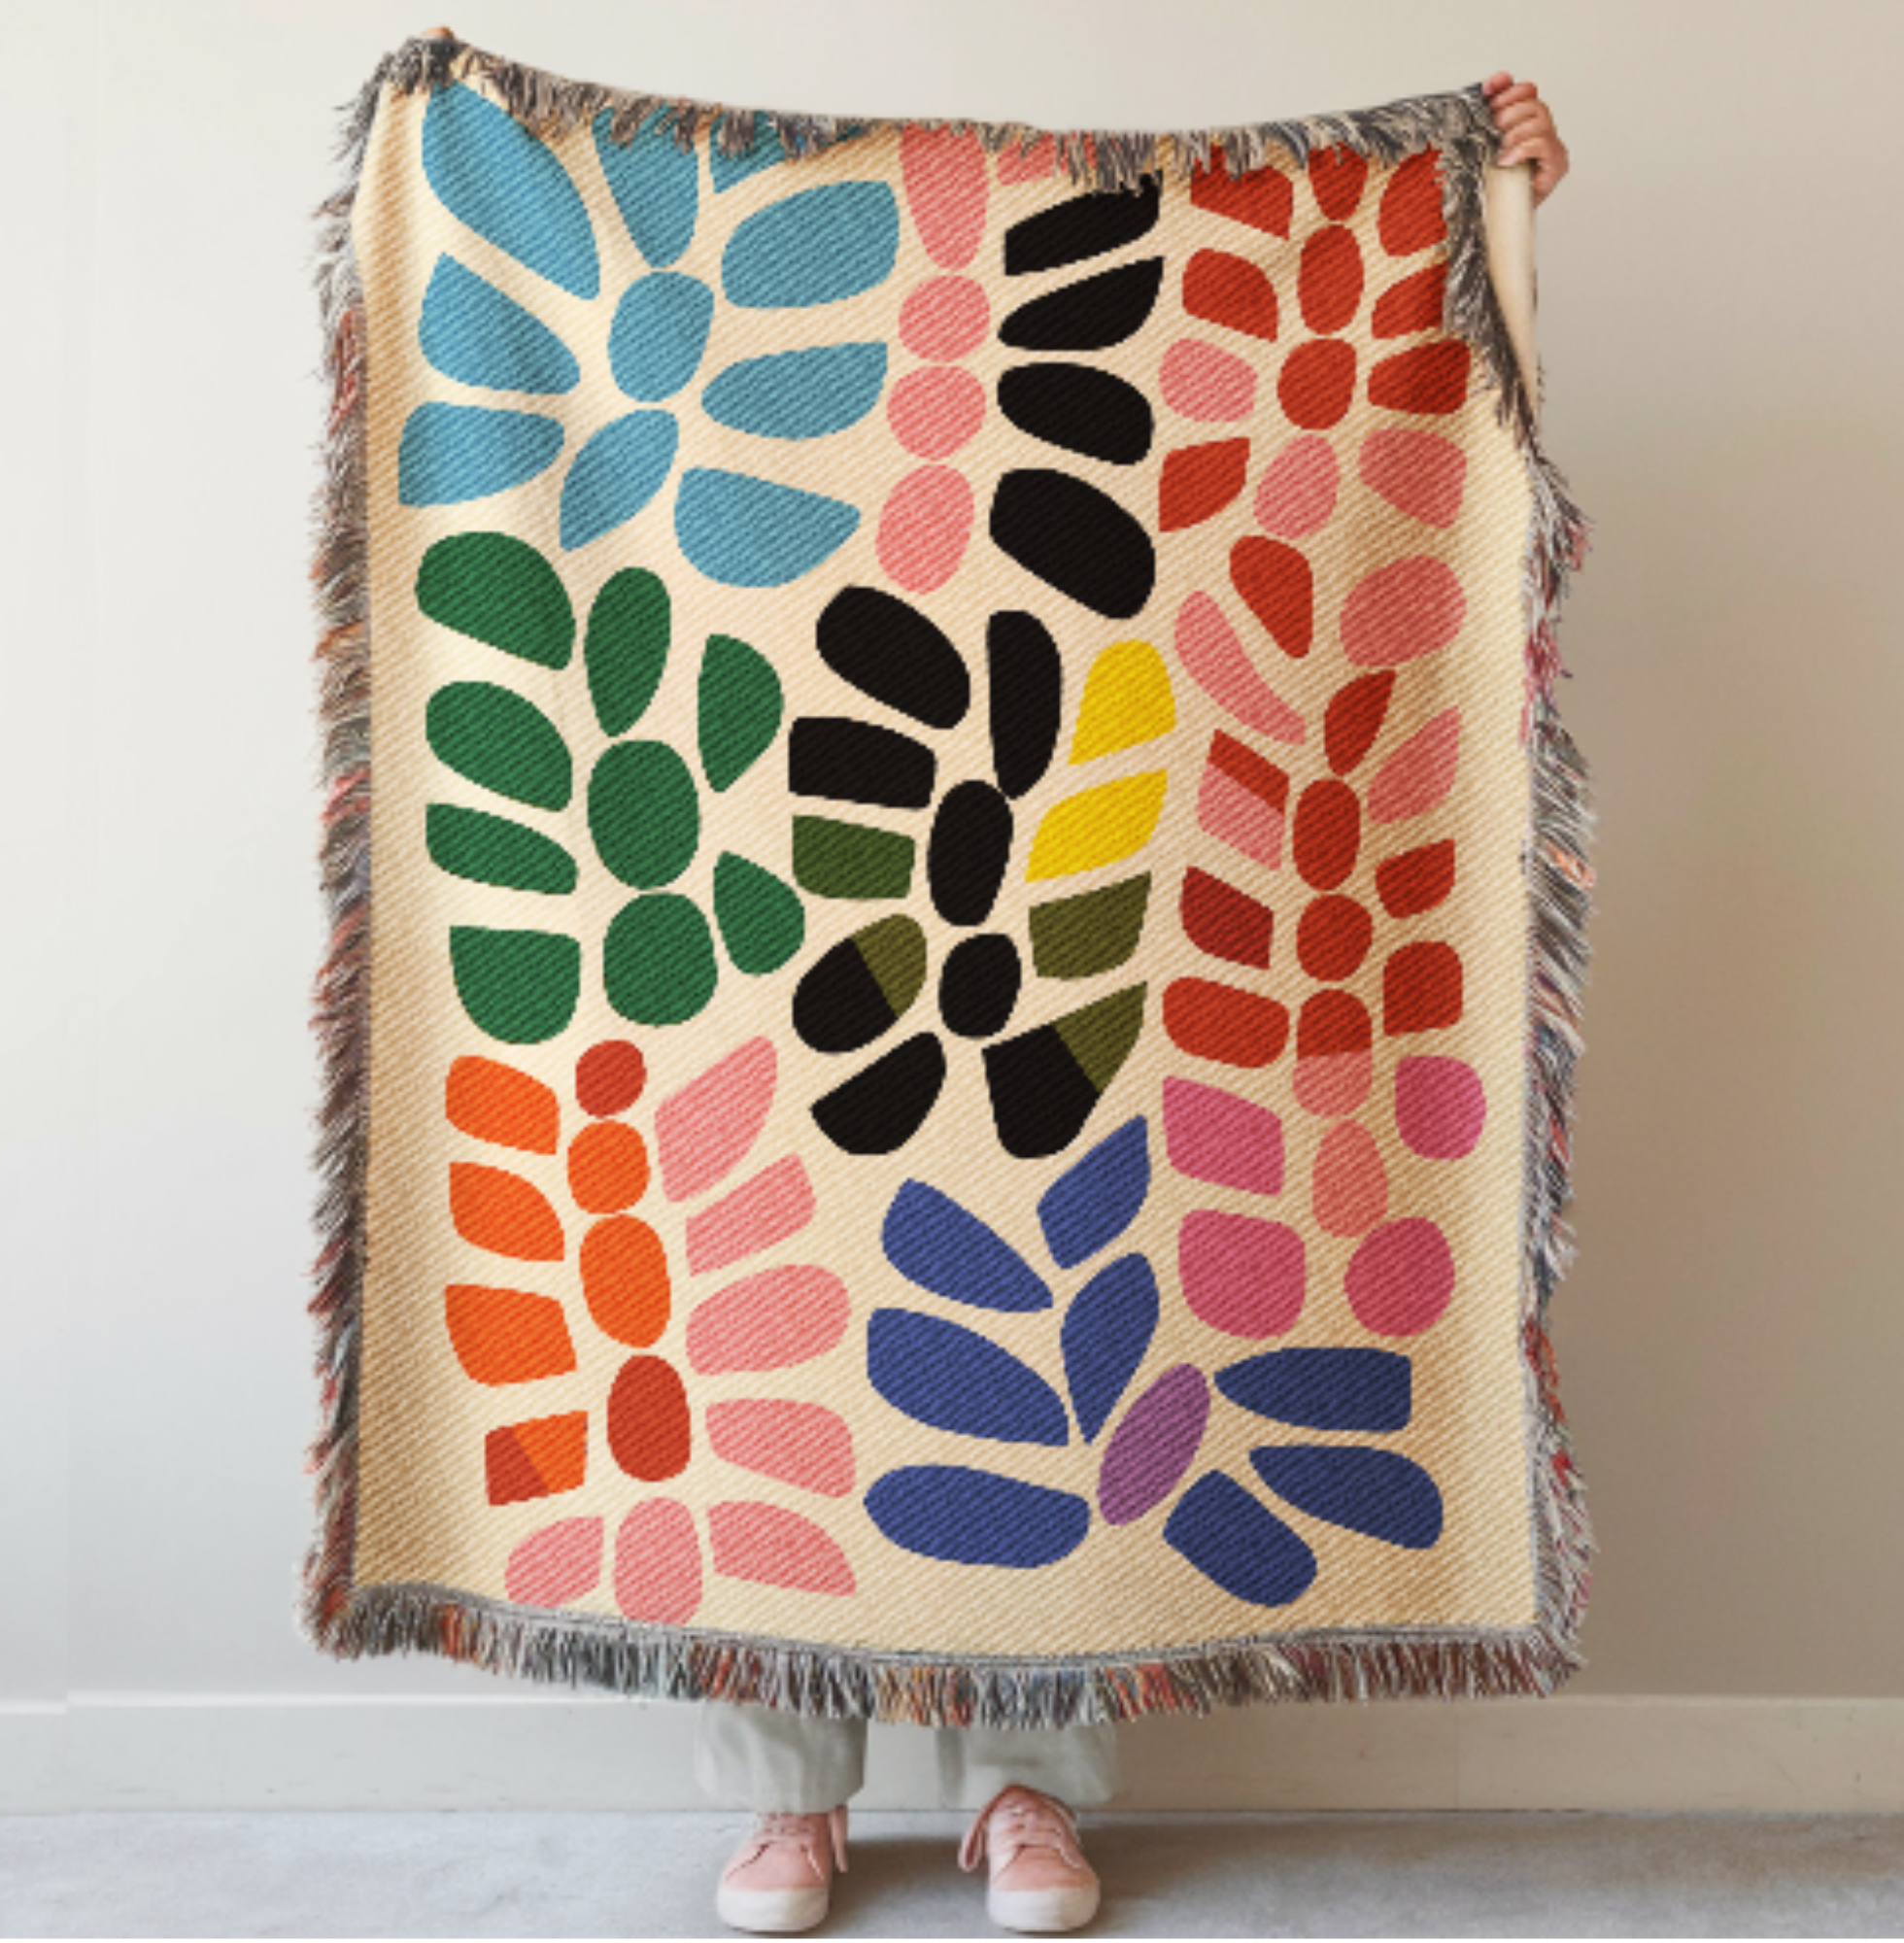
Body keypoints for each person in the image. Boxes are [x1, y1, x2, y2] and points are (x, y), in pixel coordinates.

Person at [699, 71, 1569, 1938]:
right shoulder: (810, 345)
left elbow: (1337, 413)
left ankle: (1029, 1780)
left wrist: (1474, 202)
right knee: (794, 1300)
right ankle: (793, 1788)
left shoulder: (1109, 368)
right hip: (825, 846)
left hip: (1087, 866)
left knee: (1082, 1268)